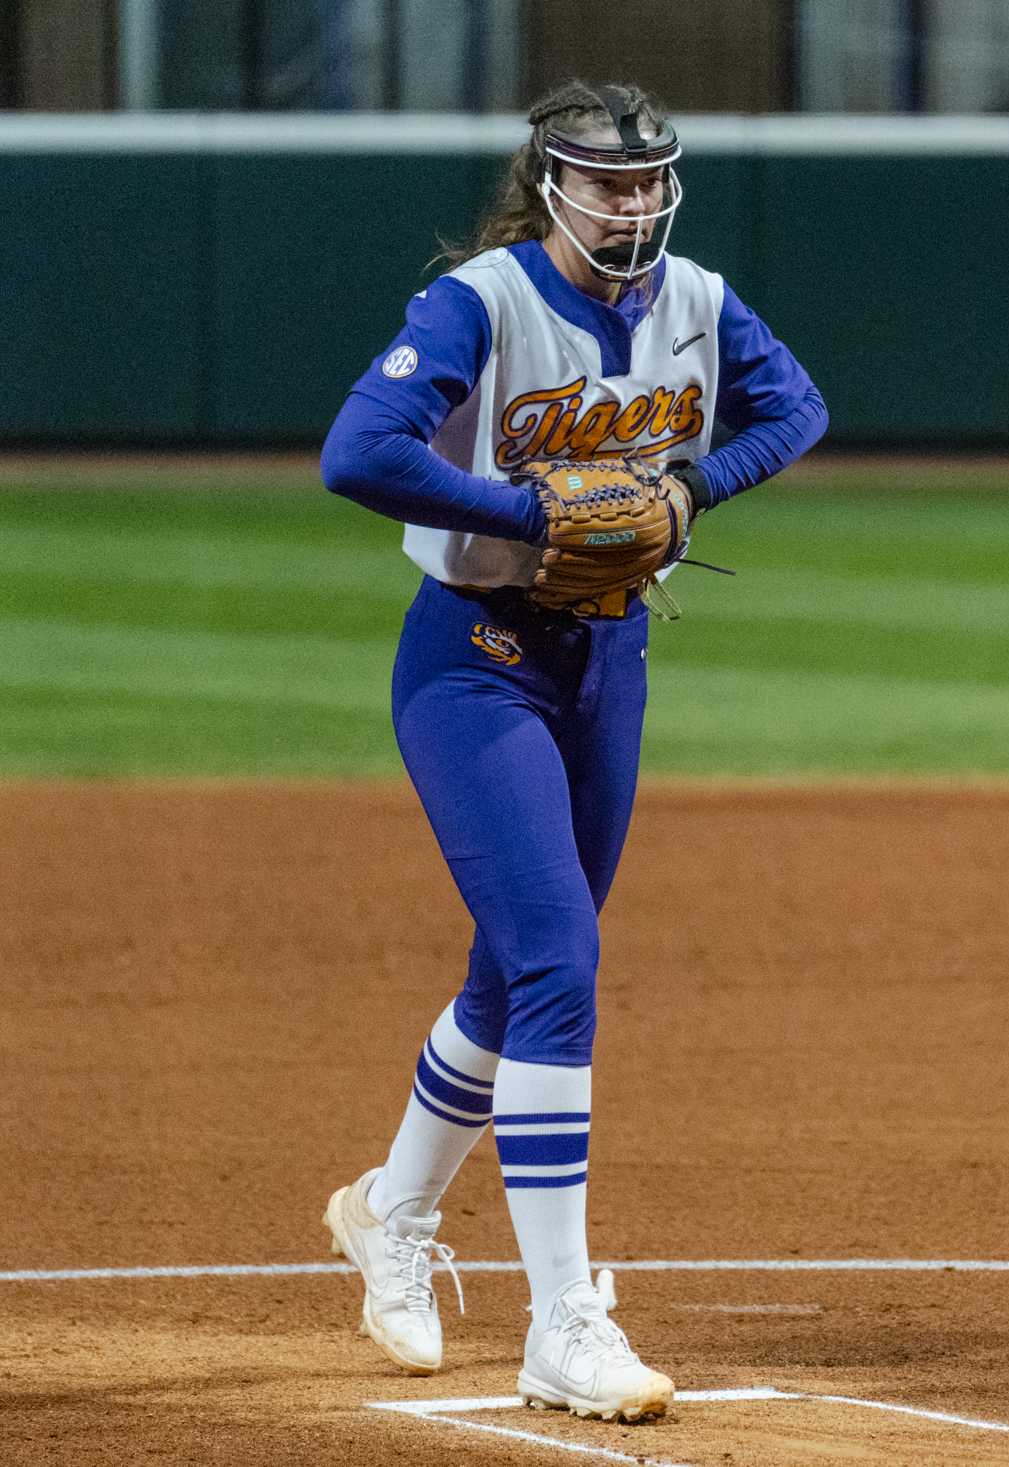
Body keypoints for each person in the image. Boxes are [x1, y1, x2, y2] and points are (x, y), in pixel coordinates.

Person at [317, 80, 826, 1421]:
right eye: (607, 182)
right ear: (551, 187)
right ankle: (564, 1324)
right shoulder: (483, 302)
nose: (634, 202)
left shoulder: (698, 303)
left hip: (608, 660)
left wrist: (685, 486)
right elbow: (355, 452)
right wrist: (520, 511)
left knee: (517, 963)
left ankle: (393, 1211)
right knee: (557, 958)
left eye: (651, 179)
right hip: (473, 657)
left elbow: (800, 409)